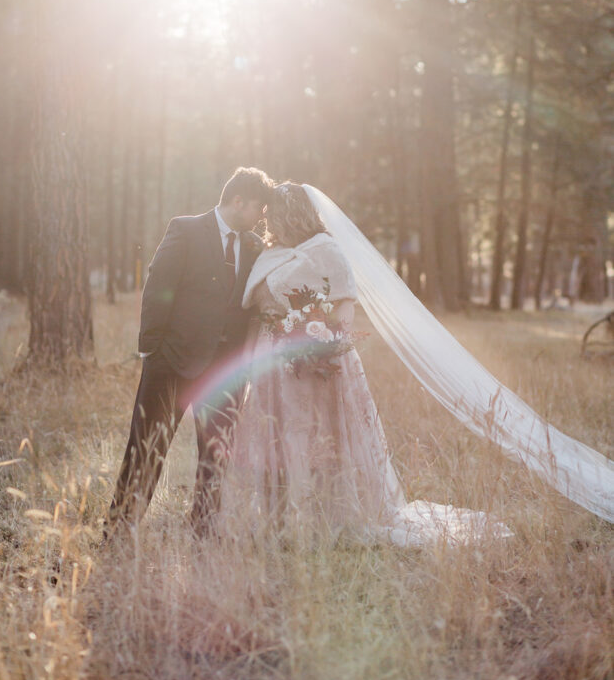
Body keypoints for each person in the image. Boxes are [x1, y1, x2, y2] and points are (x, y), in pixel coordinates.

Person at [219, 183, 614, 545]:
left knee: (317, 436)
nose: (267, 220)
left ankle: (323, 516)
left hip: (315, 362)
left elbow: (344, 310)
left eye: (274, 213)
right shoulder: (269, 254)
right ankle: (280, 515)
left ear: (293, 213)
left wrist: (316, 339)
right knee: (279, 435)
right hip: (271, 364)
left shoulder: (326, 248)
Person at [106, 166, 273, 538]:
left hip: (226, 371)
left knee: (217, 452)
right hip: (173, 362)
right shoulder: (186, 229)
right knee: (148, 446)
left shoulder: (254, 247)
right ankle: (120, 528)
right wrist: (153, 351)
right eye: (258, 210)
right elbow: (158, 287)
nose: (262, 219)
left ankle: (204, 526)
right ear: (238, 200)